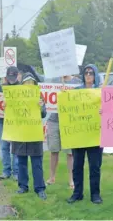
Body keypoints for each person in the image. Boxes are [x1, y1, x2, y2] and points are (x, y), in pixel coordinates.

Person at [67, 64, 103, 205]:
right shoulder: (76, 91)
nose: (88, 75)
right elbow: (69, 108)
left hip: (95, 135)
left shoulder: (100, 92)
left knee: (94, 166)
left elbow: (110, 112)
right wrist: (65, 96)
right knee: (77, 166)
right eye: (86, 72)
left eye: (91, 72)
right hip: (79, 135)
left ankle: (95, 194)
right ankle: (77, 193)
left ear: (95, 75)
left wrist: (103, 111)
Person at [11, 72, 47, 200]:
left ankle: (40, 188)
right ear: (23, 84)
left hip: (34, 133)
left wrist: (41, 107)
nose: (29, 84)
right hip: (21, 134)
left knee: (37, 162)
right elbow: (11, 113)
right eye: (27, 82)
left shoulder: (39, 96)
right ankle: (23, 186)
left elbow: (43, 114)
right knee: (21, 162)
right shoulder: (16, 96)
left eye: (31, 82)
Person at [46, 75, 81, 189]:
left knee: (70, 153)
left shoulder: (77, 82)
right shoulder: (54, 81)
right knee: (54, 150)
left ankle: (71, 179)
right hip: (54, 120)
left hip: (69, 121)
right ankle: (52, 177)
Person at [0, 66, 19, 180]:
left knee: (15, 148)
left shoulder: (21, 88)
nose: (11, 79)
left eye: (13, 77)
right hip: (3, 121)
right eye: (9, 77)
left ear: (17, 75)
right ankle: (6, 171)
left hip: (15, 123)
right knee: (4, 147)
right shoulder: (1, 88)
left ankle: (16, 172)